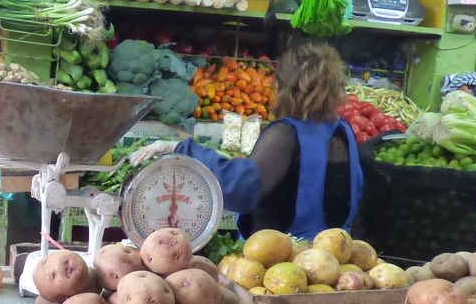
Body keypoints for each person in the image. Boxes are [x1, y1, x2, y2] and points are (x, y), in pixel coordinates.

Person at [128, 43, 362, 240]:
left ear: (281, 87)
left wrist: (182, 149)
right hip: (334, 252)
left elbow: (240, 186)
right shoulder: (342, 129)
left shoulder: (285, 134)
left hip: (282, 259)